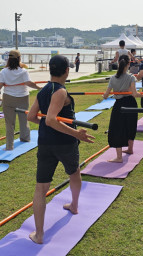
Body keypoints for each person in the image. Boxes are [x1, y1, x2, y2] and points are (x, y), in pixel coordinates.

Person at [27, 55, 95, 244]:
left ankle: (39, 234)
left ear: (50, 70)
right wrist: (76, 134)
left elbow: (32, 117)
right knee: (74, 172)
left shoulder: (43, 91)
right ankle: (73, 205)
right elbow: (50, 119)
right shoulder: (60, 92)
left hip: (46, 143)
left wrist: (46, 123)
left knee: (41, 188)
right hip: (65, 143)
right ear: (67, 70)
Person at [0, 50, 41, 150]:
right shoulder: (23, 71)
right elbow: (29, 83)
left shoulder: (4, 71)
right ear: (19, 58)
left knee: (9, 123)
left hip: (8, 98)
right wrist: (39, 88)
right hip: (22, 98)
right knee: (24, 120)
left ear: (9, 59)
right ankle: (25, 139)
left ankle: (9, 146)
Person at [103, 54, 140, 162]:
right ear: (129, 64)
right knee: (131, 125)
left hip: (119, 104)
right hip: (131, 103)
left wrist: (104, 96)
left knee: (117, 128)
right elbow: (134, 94)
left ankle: (120, 157)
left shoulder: (113, 78)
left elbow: (106, 95)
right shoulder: (131, 77)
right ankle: (130, 149)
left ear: (118, 63)